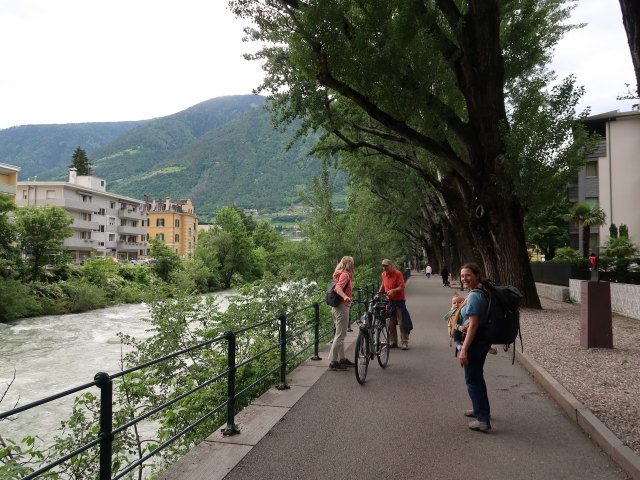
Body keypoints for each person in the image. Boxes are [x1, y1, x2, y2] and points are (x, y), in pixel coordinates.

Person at [458, 263, 494, 432]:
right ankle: (480, 409)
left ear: (477, 275)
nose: (464, 278)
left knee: (472, 379)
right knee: (477, 377)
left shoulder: (474, 296)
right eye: (462, 275)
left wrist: (464, 349)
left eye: (468, 275)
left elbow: (473, 325)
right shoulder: (482, 290)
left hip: (474, 342)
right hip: (481, 340)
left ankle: (483, 420)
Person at [328, 256, 356, 371]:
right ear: (349, 264)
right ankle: (333, 362)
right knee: (340, 335)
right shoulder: (345, 274)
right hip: (342, 307)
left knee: (339, 335)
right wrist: (346, 297)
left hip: (336, 308)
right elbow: (338, 288)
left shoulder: (338, 274)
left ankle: (342, 359)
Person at [379, 259, 413, 350]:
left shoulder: (398, 273)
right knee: (391, 323)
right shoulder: (383, 275)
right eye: (383, 266)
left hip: (399, 301)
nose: (384, 268)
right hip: (389, 302)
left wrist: (393, 291)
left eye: (386, 266)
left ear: (391, 265)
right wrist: (378, 293)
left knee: (402, 322)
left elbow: (402, 286)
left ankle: (404, 342)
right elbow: (383, 285)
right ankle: (393, 341)